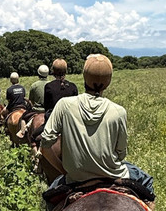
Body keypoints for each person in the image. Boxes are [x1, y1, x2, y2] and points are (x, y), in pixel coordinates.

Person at [38, 54, 154, 199]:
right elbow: (121, 153)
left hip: (75, 178)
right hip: (113, 174)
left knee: (48, 199)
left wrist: (65, 170)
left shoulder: (64, 105)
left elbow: (45, 143)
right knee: (147, 181)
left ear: (85, 76)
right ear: (108, 81)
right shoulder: (119, 111)